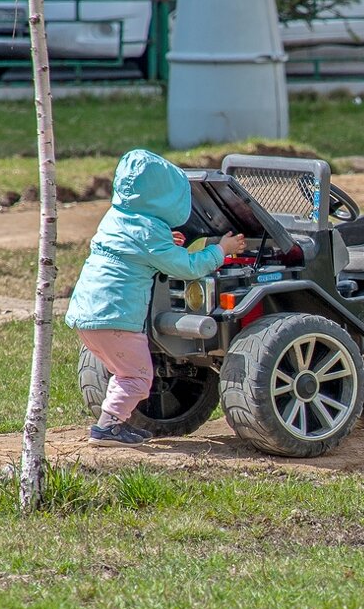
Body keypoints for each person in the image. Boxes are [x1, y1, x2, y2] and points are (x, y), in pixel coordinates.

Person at [65, 149, 245, 447]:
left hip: (86, 315)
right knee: (137, 377)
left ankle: (113, 423)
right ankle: (107, 428)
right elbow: (188, 267)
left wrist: (164, 243)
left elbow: (141, 248)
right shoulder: (150, 233)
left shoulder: (117, 218)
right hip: (116, 319)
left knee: (123, 372)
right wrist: (222, 250)